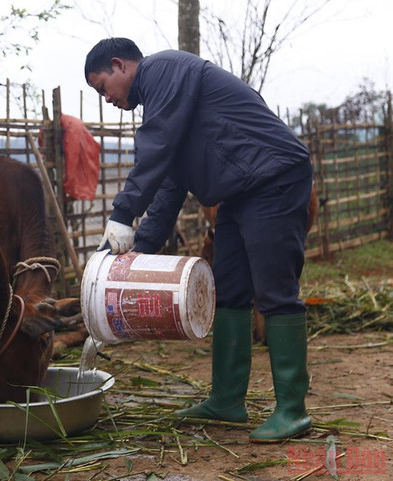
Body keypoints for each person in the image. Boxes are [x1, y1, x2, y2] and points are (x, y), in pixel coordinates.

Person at [85, 37, 313, 442]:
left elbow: (154, 149)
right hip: (239, 193)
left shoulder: (165, 70)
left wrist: (121, 214)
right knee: (228, 291)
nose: (106, 99)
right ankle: (227, 400)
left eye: (102, 87)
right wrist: (134, 255)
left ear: (119, 65)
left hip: (274, 179)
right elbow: (169, 188)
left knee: (275, 292)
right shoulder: (166, 103)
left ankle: (293, 410)